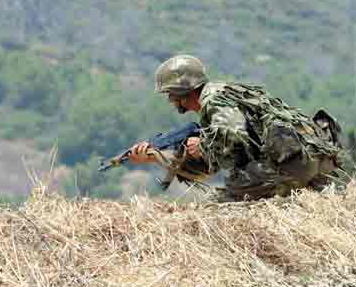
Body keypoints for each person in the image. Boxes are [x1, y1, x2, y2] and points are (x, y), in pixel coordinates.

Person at [128, 55, 355, 202]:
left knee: (215, 210)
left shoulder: (214, 99)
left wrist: (203, 144)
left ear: (181, 92)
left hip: (290, 163)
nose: (170, 100)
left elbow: (233, 135)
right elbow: (209, 167)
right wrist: (157, 157)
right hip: (318, 160)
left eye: (170, 94)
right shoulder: (230, 93)